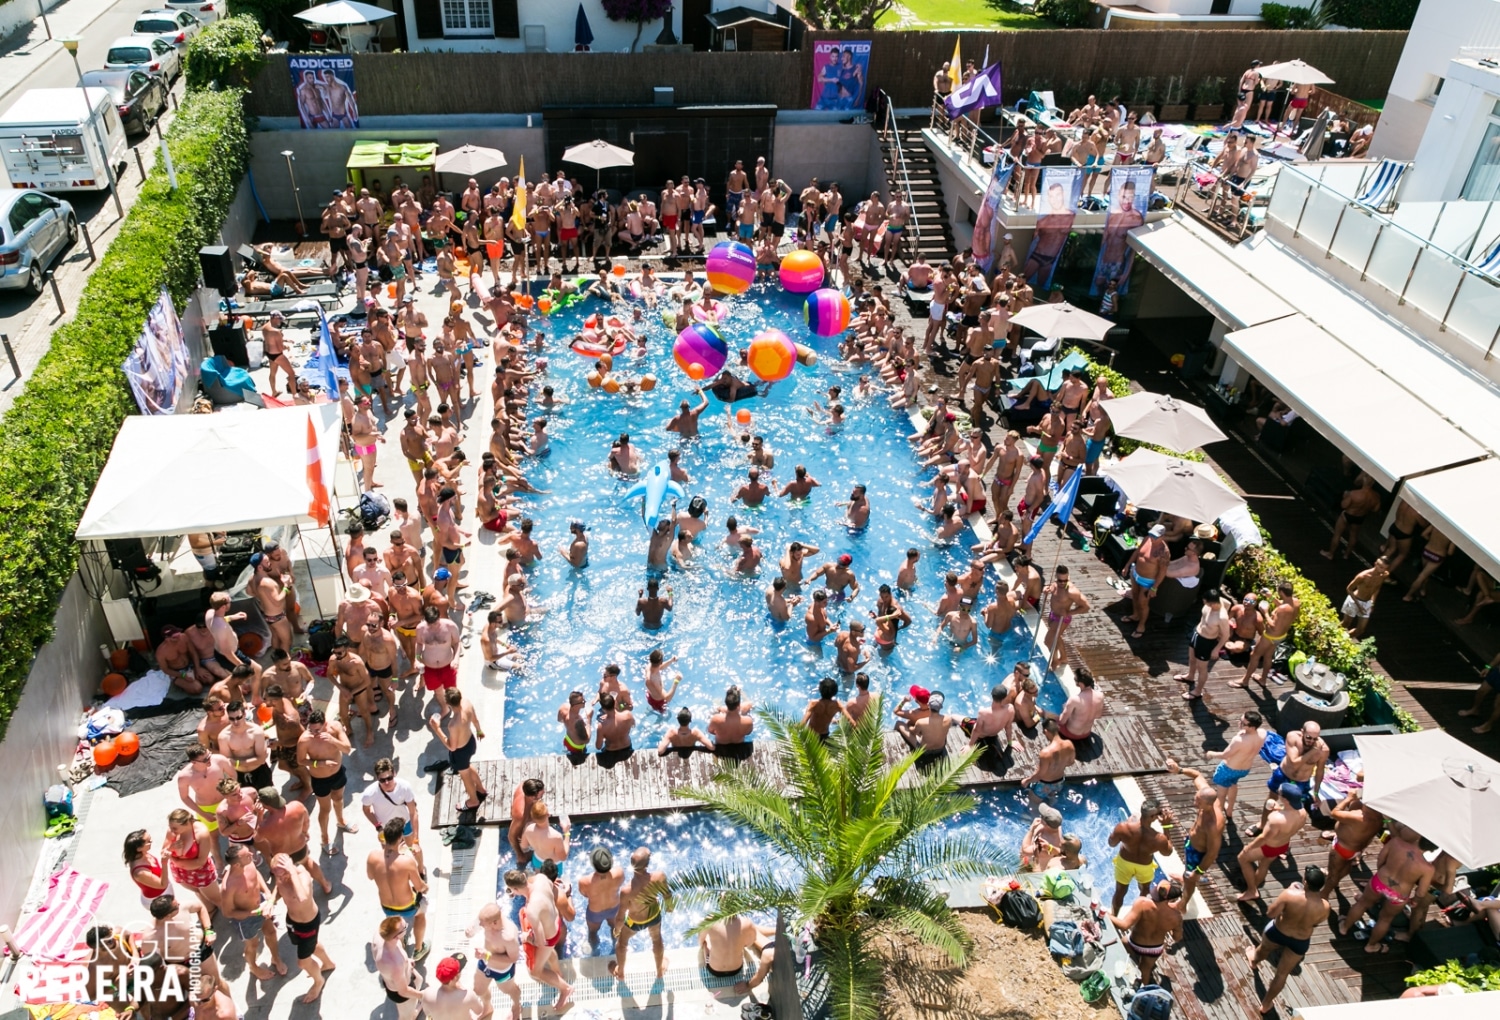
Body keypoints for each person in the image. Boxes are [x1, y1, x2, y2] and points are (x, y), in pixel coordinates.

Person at [1338, 822, 1434, 952]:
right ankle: (1371, 945)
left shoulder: (1396, 842)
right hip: (1398, 895)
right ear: (1432, 850)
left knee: (1362, 904)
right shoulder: (1428, 868)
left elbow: (1380, 859)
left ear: (1420, 837)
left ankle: (1344, 927)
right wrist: (1415, 901)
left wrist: (1381, 872)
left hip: (1380, 882)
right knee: (1385, 919)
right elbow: (1421, 892)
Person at [1247, 866, 1329, 1014]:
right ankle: (1266, 1005)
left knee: (1263, 949)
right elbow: (1316, 923)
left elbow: (1270, 913)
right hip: (1300, 941)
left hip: (1279, 932)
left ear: (1305, 882)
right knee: (1282, 974)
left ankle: (1253, 962)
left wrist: (1289, 895)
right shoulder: (1325, 906)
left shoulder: (1290, 894)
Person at [270, 852, 336, 1003]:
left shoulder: (301, 876)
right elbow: (279, 887)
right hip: (293, 922)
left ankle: (318, 982)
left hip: (308, 925)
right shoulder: (281, 875)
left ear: (290, 867)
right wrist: (271, 901)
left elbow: (302, 898)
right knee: (311, 944)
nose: (280, 878)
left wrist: (292, 872)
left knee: (302, 962)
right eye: (276, 875)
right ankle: (328, 964)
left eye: (283, 874)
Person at [503, 868, 573, 1007]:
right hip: (556, 922)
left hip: (549, 937)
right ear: (524, 876)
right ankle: (557, 973)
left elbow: (540, 942)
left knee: (535, 971)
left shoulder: (531, 910)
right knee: (548, 952)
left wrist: (526, 937)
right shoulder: (541, 878)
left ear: (515, 889)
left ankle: (566, 989)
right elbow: (552, 887)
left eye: (511, 890)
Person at [219, 842, 284, 982]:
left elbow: (256, 875)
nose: (251, 854)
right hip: (245, 920)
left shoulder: (249, 864)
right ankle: (253, 968)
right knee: (252, 945)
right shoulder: (228, 887)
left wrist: (267, 892)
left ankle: (276, 958)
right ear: (237, 864)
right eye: (246, 855)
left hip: (261, 905)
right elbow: (228, 912)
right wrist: (253, 913)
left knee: (271, 932)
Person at [1164, 760, 1226, 907]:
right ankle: (1185, 877)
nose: (1194, 803)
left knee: (1190, 880)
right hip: (1191, 842)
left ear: (1209, 804)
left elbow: (1212, 853)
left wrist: (1197, 872)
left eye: (1198, 802)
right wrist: (1179, 769)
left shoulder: (1213, 825)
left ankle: (1182, 904)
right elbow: (1197, 775)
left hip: (1198, 853)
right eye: (1196, 798)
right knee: (1187, 874)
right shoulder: (1205, 796)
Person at [369, 816, 430, 961]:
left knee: (396, 923)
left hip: (386, 907)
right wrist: (425, 882)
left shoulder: (372, 857)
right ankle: (419, 948)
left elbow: (370, 876)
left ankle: (401, 942)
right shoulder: (406, 861)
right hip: (407, 907)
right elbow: (420, 887)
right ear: (400, 838)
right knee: (421, 912)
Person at [296, 709, 357, 851]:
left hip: (337, 773)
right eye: (311, 729)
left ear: (325, 724)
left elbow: (347, 749)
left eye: (317, 730)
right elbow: (301, 760)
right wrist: (319, 764)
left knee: (338, 798)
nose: (314, 733)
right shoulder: (305, 740)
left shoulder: (335, 727)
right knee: (325, 809)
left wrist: (332, 740)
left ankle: (341, 821)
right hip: (320, 779)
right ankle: (324, 838)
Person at [1237, 784, 1308, 903]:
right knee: (1264, 864)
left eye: (1279, 793)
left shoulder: (1275, 819)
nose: (1278, 794)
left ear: (1285, 799)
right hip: (1283, 845)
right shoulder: (1303, 812)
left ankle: (1252, 890)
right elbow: (1290, 819)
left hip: (1268, 846)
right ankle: (1254, 886)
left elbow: (1263, 837)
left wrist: (1249, 847)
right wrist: (1280, 809)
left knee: (1242, 858)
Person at [1105, 880, 1183, 987]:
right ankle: (1141, 991)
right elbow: (1177, 937)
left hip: (1134, 943)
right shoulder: (1176, 917)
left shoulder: (1142, 903)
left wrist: (1106, 915)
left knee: (1120, 950)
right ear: (1172, 899)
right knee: (1144, 973)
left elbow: (1124, 925)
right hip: (1154, 949)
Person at [612, 846, 672, 980]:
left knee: (621, 944)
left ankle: (620, 973)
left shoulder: (627, 890)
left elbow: (621, 916)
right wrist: (669, 908)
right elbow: (667, 895)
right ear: (647, 864)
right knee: (657, 940)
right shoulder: (659, 877)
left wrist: (617, 930)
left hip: (635, 921)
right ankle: (659, 972)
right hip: (653, 916)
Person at [1109, 799, 1172, 914]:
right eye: (1159, 813)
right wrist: (1166, 827)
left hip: (1125, 862)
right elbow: (1167, 852)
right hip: (1144, 866)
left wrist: (1124, 836)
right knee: (1144, 891)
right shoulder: (1159, 838)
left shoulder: (1122, 827)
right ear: (1153, 817)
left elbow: (1111, 843)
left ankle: (1114, 915)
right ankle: (1137, 917)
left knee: (1120, 892)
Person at [429, 687, 487, 812]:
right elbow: (475, 720)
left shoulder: (453, 724)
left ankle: (473, 801)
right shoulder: (467, 703)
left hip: (460, 753)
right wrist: (479, 731)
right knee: (468, 766)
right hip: (470, 743)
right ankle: (481, 789)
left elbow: (452, 747)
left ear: (448, 703)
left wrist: (437, 729)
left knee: (465, 777)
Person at [1235, 581, 1299, 688]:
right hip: (1281, 636)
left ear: (1281, 592)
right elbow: (1284, 607)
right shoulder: (1296, 602)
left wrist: (1265, 612)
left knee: (1254, 655)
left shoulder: (1282, 609)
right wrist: (1271, 597)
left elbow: (1273, 625)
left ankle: (1244, 681)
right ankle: (1263, 679)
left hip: (1270, 636)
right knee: (1268, 656)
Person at [1204, 711, 1266, 816]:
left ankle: (1218, 816)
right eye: (1240, 720)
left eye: (1243, 723)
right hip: (1244, 770)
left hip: (1228, 769)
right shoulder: (1263, 733)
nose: (1239, 723)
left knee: (1221, 796)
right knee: (1233, 784)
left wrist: (1210, 753)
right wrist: (1242, 731)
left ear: (1252, 727)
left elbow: (1225, 755)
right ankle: (1229, 811)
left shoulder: (1238, 740)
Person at [1324, 791, 1384, 893]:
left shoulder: (1359, 817)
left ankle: (1324, 893)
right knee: (1345, 868)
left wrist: (1348, 798)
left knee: (1333, 875)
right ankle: (1336, 881)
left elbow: (1334, 813)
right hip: (1356, 849)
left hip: (1342, 848)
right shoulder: (1380, 817)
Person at [1178, 587, 1231, 700]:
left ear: (1212, 602)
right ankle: (1190, 676)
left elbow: (1226, 636)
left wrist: (1216, 649)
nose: (1204, 603)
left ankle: (1198, 691)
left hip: (1206, 641)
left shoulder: (1222, 617)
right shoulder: (1220, 600)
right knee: (1191, 659)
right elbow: (1229, 603)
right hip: (1196, 633)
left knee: (1202, 668)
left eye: (1205, 602)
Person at [1121, 524, 1169, 639]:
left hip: (1147, 580)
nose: (1152, 537)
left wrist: (1154, 587)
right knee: (1134, 595)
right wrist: (1127, 565)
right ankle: (1135, 615)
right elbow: (1137, 552)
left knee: (1143, 603)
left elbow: (1162, 572)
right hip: (1135, 573)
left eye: (1155, 536)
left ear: (1162, 537)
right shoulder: (1147, 539)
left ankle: (1141, 626)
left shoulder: (1164, 552)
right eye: (1151, 534)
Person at [1041, 565, 1090, 671]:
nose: (1062, 583)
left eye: (1065, 580)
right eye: (1060, 580)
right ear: (1056, 577)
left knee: (1048, 641)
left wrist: (1069, 612)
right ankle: (1064, 658)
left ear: (1068, 578)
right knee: (1057, 637)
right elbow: (1052, 587)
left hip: (1062, 619)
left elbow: (1086, 607)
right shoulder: (1055, 584)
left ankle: (1055, 661)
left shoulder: (1072, 591)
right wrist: (1046, 588)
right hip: (1053, 615)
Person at [375, 916, 423, 1020]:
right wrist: (423, 996)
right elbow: (403, 991)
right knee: (405, 1018)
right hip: (401, 991)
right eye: (405, 927)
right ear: (396, 936)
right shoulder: (395, 965)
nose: (407, 926)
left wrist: (407, 962)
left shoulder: (380, 937)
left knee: (419, 980)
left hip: (404, 976)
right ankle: (411, 1015)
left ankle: (412, 1009)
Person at [700, 914, 772, 982]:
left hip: (714, 970)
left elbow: (700, 940)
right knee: (740, 941)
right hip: (736, 970)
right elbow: (749, 943)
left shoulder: (711, 921)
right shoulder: (746, 922)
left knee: (705, 942)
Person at [578, 846, 626, 946]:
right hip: (614, 908)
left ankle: (594, 951)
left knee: (592, 933)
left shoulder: (585, 881)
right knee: (615, 929)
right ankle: (615, 948)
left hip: (595, 912)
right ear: (611, 861)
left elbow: (584, 894)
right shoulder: (619, 873)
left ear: (593, 864)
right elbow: (621, 884)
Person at [1023, 718, 1075, 805]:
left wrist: (1027, 780)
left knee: (1033, 804)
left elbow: (1039, 775)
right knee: (1052, 800)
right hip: (1059, 782)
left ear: (1046, 731)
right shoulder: (1069, 744)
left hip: (1045, 785)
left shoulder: (1046, 753)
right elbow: (1071, 762)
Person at [1341, 556, 1390, 638]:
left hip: (1367, 602)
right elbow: (1349, 589)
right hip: (1354, 601)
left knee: (1360, 630)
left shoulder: (1384, 575)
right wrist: (1359, 606)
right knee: (1346, 623)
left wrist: (1372, 603)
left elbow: (1377, 588)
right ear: (1375, 564)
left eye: (1385, 568)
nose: (1382, 570)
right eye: (1381, 567)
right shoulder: (1363, 576)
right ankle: (1331, 635)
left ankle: (1344, 639)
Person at [1055, 668, 1104, 745]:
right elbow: (1098, 716)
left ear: (1080, 684)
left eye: (1075, 680)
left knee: (1053, 715)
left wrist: (1064, 709)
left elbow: (1062, 721)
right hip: (1086, 733)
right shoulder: (1100, 696)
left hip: (1071, 734)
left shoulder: (1074, 700)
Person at [1458, 650, 1500, 733]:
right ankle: (1474, 710)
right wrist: (1488, 667)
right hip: (1498, 673)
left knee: (1498, 705)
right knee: (1481, 691)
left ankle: (1488, 725)